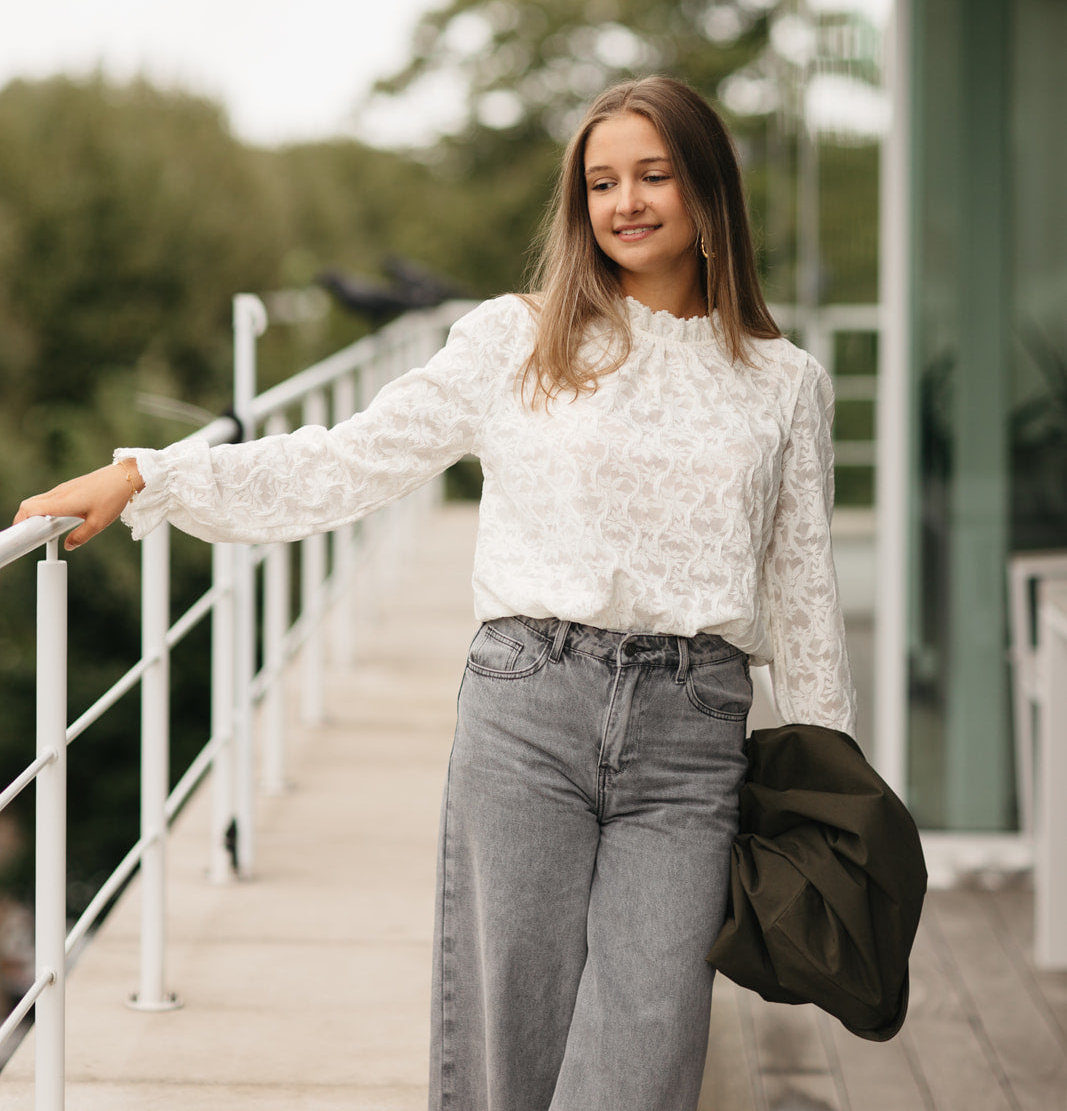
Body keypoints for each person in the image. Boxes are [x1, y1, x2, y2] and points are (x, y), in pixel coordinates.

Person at [16, 75, 855, 1111]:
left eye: (653, 175)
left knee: (648, 1049)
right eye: (601, 183)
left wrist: (835, 798)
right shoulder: (514, 338)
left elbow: (802, 597)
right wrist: (152, 475)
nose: (625, 202)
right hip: (528, 710)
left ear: (709, 192)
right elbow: (349, 459)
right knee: (509, 1047)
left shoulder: (783, 382)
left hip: (692, 734)